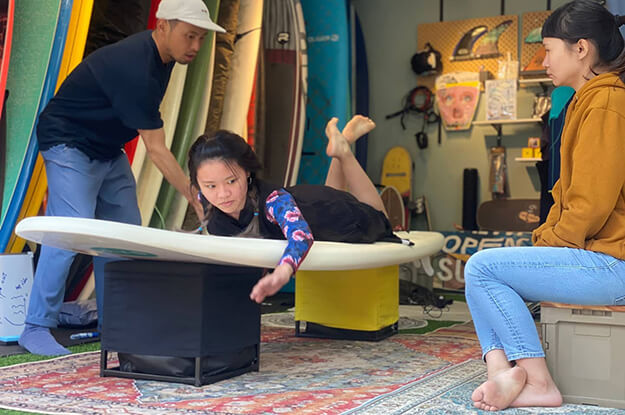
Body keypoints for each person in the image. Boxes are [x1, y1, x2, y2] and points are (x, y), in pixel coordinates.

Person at [19, 0, 226, 356]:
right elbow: (156, 150)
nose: (195, 46)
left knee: (125, 233)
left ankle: (114, 321)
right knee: (70, 230)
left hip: (106, 146)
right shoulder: (135, 66)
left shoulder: (165, 58)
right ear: (163, 26)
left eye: (201, 38)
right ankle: (35, 326)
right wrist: (195, 196)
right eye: (189, 36)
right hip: (68, 140)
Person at [464, 1, 625, 411]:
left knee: (482, 268)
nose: (544, 61)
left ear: (581, 49)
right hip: (598, 255)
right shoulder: (587, 100)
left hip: (613, 264)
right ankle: (501, 372)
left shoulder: (606, 103)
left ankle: (538, 383)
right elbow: (567, 196)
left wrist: (549, 242)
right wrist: (544, 239)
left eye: (549, 50)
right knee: (483, 269)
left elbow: (591, 205)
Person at [188, 116, 400, 303]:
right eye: (210, 186)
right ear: (198, 184)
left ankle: (344, 153)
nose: (222, 194)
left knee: (380, 217)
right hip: (315, 205)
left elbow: (301, 236)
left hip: (333, 215)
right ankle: (341, 145)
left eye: (231, 181)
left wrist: (282, 272)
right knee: (333, 195)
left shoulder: (273, 201)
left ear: (247, 172)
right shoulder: (204, 199)